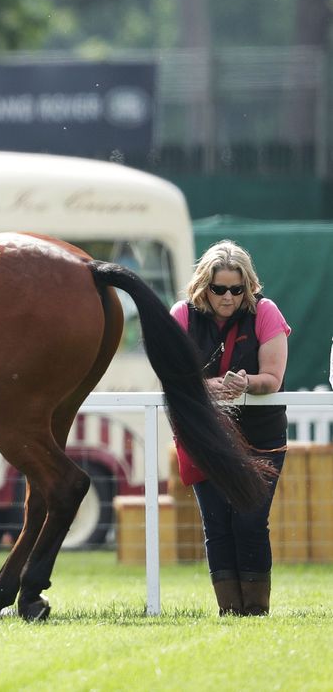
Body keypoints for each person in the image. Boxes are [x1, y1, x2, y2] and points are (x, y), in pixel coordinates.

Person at [170, 240, 290, 616]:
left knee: (250, 521)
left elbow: (272, 379)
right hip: (206, 435)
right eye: (219, 289)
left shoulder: (265, 312)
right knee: (217, 525)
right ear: (204, 285)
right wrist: (203, 385)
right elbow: (171, 375)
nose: (227, 297)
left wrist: (246, 383)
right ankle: (230, 612)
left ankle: (256, 611)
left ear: (248, 287)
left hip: (261, 436)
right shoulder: (182, 315)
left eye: (237, 290)